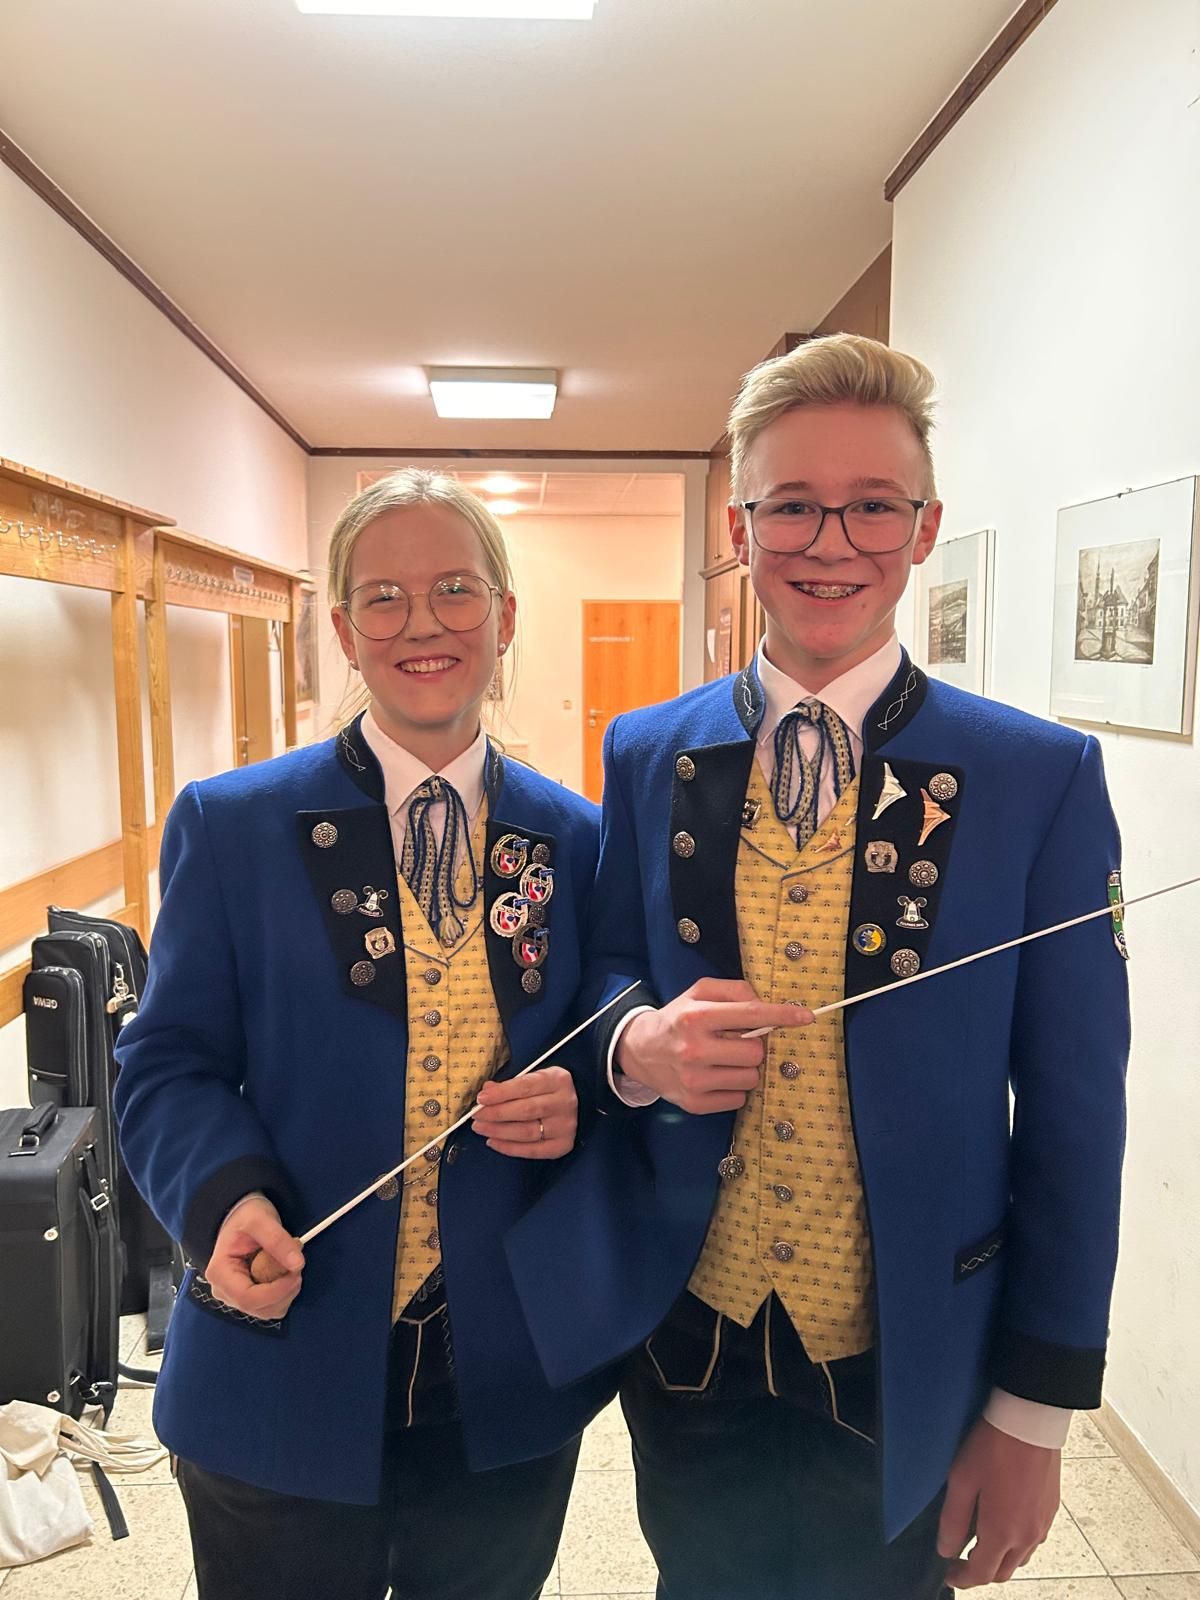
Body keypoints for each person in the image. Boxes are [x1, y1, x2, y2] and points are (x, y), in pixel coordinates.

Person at [509, 335, 1129, 1597]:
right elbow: (606, 968)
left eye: (872, 506)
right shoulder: (648, 750)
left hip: (908, 1342)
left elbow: (1076, 1109)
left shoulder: (1036, 777)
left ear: (925, 526)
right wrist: (636, 1044)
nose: (829, 542)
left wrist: (1037, 1408)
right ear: (742, 527)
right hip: (690, 1327)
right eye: (791, 505)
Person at [114, 470, 615, 1600]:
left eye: (455, 590)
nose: (422, 623)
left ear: (505, 616)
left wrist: (583, 1095)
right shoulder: (233, 825)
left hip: (501, 1377)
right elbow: (166, 1063)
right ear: (342, 630)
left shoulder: (579, 839)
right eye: (383, 598)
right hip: (279, 1359)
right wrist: (225, 1200)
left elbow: (607, 1038)